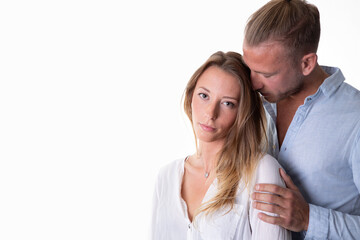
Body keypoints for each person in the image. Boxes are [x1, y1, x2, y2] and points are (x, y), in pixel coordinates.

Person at [242, 0, 360, 239]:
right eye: (250, 69)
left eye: (267, 74)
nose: (253, 83)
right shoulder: (250, 103)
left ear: (307, 63)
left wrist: (308, 218)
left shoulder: (355, 119)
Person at [151, 51, 291, 239]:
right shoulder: (166, 177)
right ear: (191, 96)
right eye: (204, 95)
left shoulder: (261, 171)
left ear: (243, 113)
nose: (211, 113)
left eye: (227, 103)